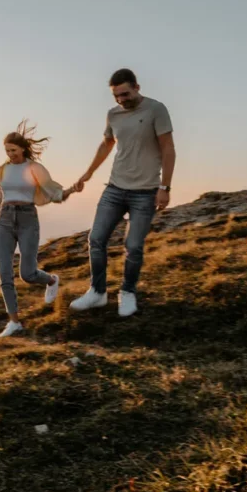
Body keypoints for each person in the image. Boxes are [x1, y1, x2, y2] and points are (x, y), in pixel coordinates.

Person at [69, 68, 176, 317]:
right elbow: (107, 144)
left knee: (134, 246)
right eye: (117, 96)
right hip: (115, 189)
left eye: (125, 94)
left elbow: (168, 149)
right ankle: (97, 293)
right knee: (96, 240)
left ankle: (127, 293)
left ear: (137, 87)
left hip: (146, 192)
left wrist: (165, 187)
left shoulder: (156, 109)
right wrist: (89, 173)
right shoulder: (113, 114)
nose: (121, 100)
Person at [0, 120, 77, 338]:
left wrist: (70, 191)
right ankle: (14, 322)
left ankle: (51, 280)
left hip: (27, 218)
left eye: (13, 150)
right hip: (5, 219)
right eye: (6, 151)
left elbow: (52, 191)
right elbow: (2, 191)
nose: (10, 154)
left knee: (28, 274)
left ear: (22, 148)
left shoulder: (34, 168)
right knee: (4, 273)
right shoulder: (3, 169)